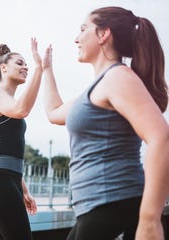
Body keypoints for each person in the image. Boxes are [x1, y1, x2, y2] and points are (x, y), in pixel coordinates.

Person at [42, 6, 169, 240]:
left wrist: (149, 220)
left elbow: (161, 138)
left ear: (103, 35)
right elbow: (54, 113)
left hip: (117, 206)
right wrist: (46, 70)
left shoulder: (118, 78)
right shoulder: (99, 87)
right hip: (95, 211)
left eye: (83, 29)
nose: (76, 38)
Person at [0, 38, 44, 240]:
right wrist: (40, 68)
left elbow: (11, 149)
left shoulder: (10, 102)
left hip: (9, 178)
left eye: (27, 64)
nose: (25, 67)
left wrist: (23, 189)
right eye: (20, 63)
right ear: (3, 68)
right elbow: (22, 110)